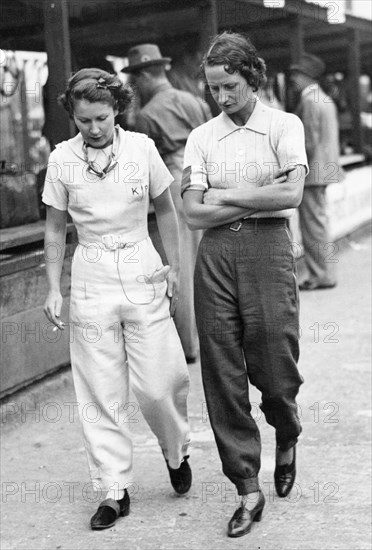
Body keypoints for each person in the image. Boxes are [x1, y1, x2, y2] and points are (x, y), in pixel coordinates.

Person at [42, 68, 192, 530]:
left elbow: (166, 209)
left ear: (117, 110)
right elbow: (53, 227)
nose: (93, 128)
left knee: (158, 381)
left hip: (142, 268)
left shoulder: (142, 149)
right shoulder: (61, 160)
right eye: (84, 120)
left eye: (102, 118)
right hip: (91, 275)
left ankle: (174, 448)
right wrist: (53, 286)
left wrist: (177, 267)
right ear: (74, 115)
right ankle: (113, 489)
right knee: (99, 389)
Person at [182, 31, 308, 538]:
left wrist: (225, 193)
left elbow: (293, 193)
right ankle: (246, 489)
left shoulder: (283, 124)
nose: (223, 97)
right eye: (214, 88)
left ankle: (288, 431)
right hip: (214, 255)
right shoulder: (202, 136)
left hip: (268, 248)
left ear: (252, 77)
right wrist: (261, 192)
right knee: (221, 373)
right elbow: (192, 212)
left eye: (230, 86)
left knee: (275, 366)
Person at [122, 44, 212, 362]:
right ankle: (214, 342)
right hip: (204, 181)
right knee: (206, 265)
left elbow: (149, 165)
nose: (135, 86)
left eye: (136, 79)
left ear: (147, 75)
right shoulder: (196, 102)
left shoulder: (147, 115)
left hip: (174, 183)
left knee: (180, 265)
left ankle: (188, 346)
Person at [289, 53, 341, 290]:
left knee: (313, 228)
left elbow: (308, 141)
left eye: (296, 75)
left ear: (305, 77)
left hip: (313, 174)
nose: (293, 80)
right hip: (326, 169)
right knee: (320, 225)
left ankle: (320, 275)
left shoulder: (309, 101)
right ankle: (326, 272)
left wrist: (296, 170)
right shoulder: (324, 98)